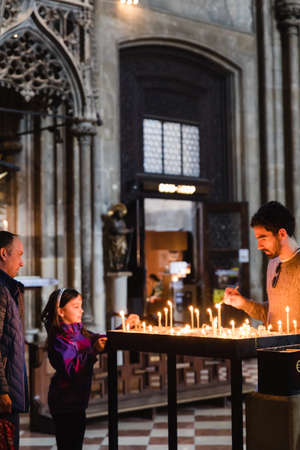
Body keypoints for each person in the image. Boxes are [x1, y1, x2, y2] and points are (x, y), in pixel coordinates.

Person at [41, 288, 139, 450]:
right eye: (76, 306)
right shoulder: (59, 339)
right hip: (64, 402)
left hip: (78, 400)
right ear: (60, 311)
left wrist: (125, 326)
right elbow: (71, 369)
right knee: (68, 445)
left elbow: (101, 340)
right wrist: (93, 351)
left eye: (81, 305)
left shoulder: (79, 331)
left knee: (76, 443)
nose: (82, 310)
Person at [224, 201, 300, 327]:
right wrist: (242, 303)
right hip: (274, 345)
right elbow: (270, 315)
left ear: (281, 234)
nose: (259, 246)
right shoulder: (273, 264)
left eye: (263, 238)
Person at [0, 231, 28, 450]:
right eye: (18, 255)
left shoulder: (9, 288)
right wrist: (2, 390)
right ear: (3, 253)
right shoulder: (1, 290)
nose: (22, 262)